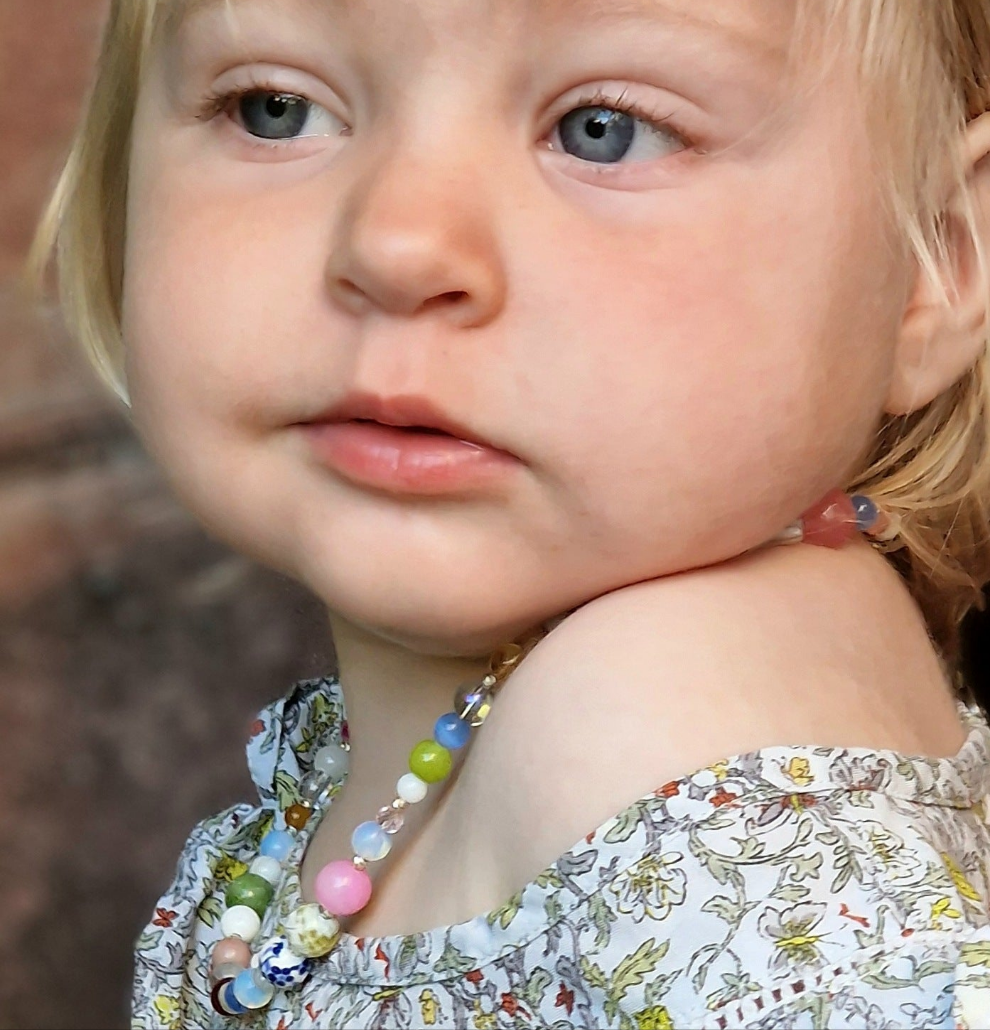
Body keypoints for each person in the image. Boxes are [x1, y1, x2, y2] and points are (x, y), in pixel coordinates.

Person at [30, 0, 990, 1025]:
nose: (397, 245)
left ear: (940, 256)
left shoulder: (655, 719)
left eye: (603, 129)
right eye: (276, 109)